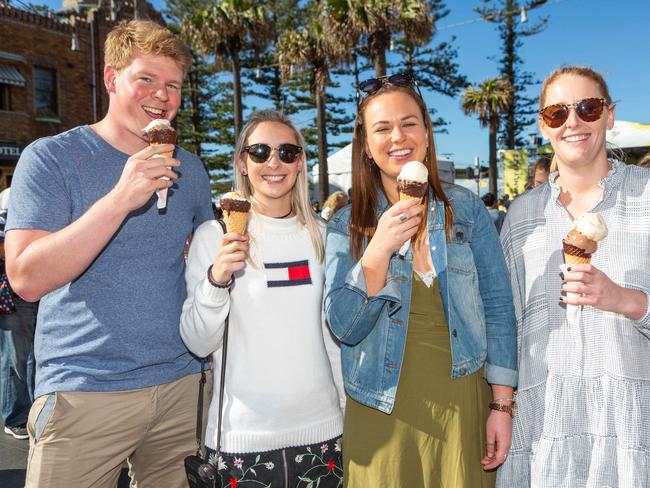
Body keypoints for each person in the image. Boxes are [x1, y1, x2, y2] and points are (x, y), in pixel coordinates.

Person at [4, 20, 214, 487]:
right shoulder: (51, 157)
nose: (161, 95)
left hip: (182, 385)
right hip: (84, 391)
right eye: (146, 79)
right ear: (111, 78)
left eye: (173, 85)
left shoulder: (192, 169)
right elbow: (26, 277)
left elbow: (205, 265)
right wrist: (121, 198)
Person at [324, 72, 517, 487]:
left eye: (409, 123)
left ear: (427, 134)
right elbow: (344, 326)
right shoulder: (345, 224)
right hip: (380, 408)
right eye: (383, 127)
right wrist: (378, 249)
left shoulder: (465, 208)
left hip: (462, 406)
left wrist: (502, 406)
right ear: (367, 147)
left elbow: (499, 308)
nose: (399, 136)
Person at [497, 66, 650, 487]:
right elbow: (506, 327)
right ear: (543, 126)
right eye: (557, 114)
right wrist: (501, 408)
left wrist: (627, 301)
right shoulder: (522, 215)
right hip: (544, 432)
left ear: (610, 115)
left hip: (630, 432)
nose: (573, 123)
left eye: (587, 107)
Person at [180, 110, 344, 487]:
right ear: (241, 161)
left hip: (323, 435)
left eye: (287, 152)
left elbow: (332, 339)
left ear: (300, 163)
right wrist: (216, 279)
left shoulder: (322, 235)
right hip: (241, 441)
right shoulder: (214, 235)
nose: (274, 162)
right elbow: (197, 342)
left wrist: (347, 415)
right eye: (259, 151)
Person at [0, 188, 38, 441]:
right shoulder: (11, 196)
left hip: (41, 287)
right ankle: (15, 416)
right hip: (14, 290)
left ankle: (32, 413)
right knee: (16, 357)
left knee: (33, 356)